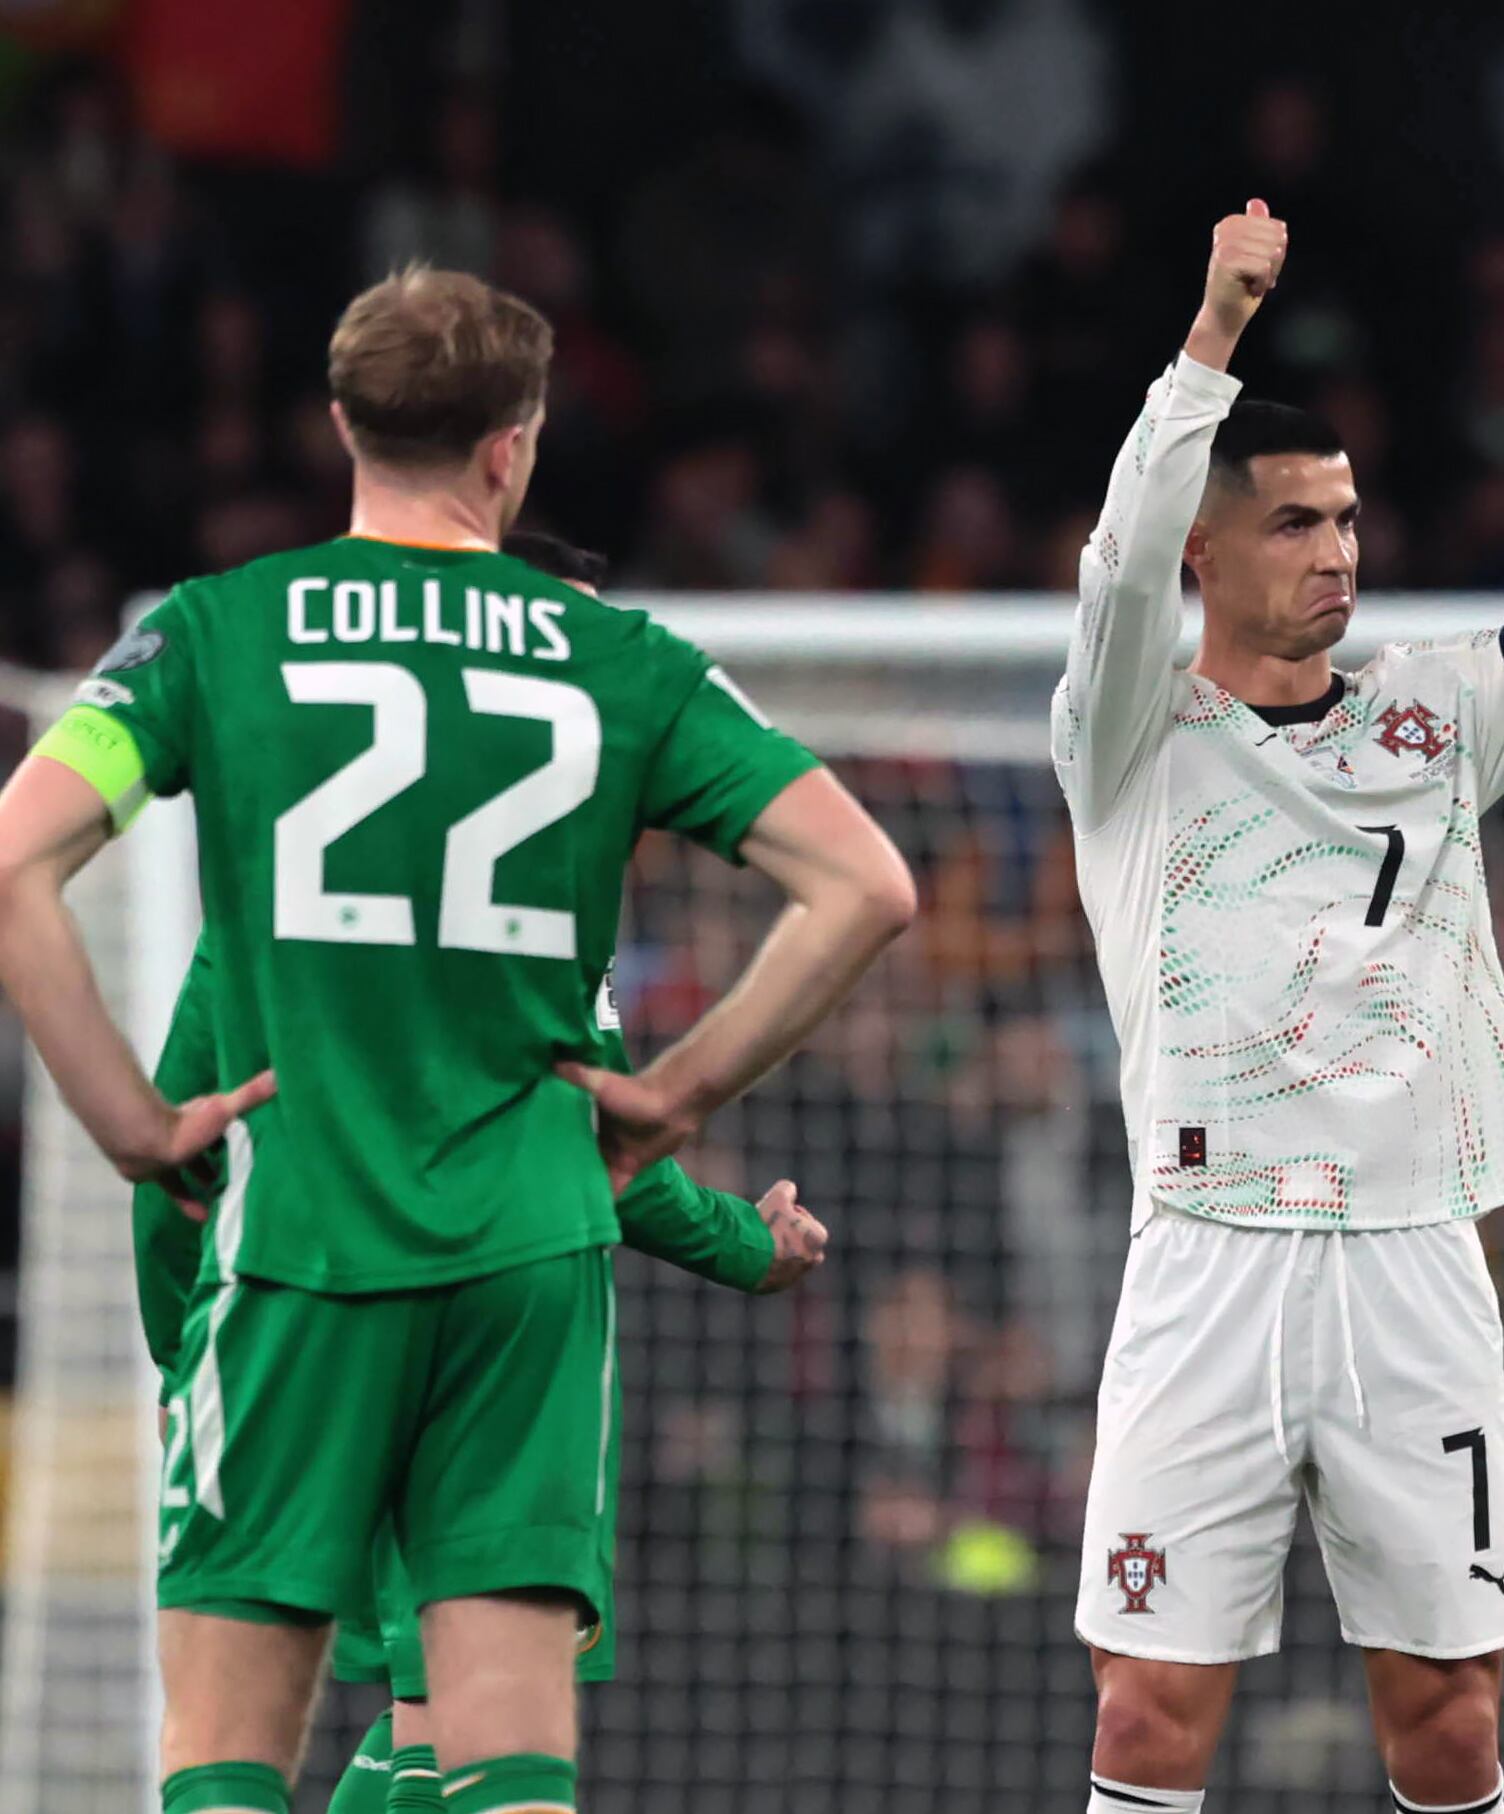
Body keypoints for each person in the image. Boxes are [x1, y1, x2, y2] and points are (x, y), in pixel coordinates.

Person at [0, 267, 916, 1814]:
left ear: (343, 422)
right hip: (526, 1259)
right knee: (496, 1762)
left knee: (225, 1756)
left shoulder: (211, 634)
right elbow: (868, 884)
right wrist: (679, 1092)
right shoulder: (623, 659)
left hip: (298, 1243)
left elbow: (18, 852)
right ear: (515, 445)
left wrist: (127, 1126)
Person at [1053, 197, 1504, 1814]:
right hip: (1204, 1253)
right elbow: (1119, 561)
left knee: (1449, 1721)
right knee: (1143, 1713)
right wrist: (1210, 339)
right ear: (1209, 550)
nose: (1338, 548)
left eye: (1347, 518)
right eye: (1293, 522)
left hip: (1414, 1255)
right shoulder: (1125, 729)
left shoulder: (1447, 708)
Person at [125, 532, 833, 1814]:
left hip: (300, 1320)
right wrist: (741, 1237)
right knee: (474, 1738)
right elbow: (852, 893)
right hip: (492, 1327)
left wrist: (189, 1357)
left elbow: (168, 1148)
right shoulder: (525, 915)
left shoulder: (290, 882)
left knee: (359, 1727)